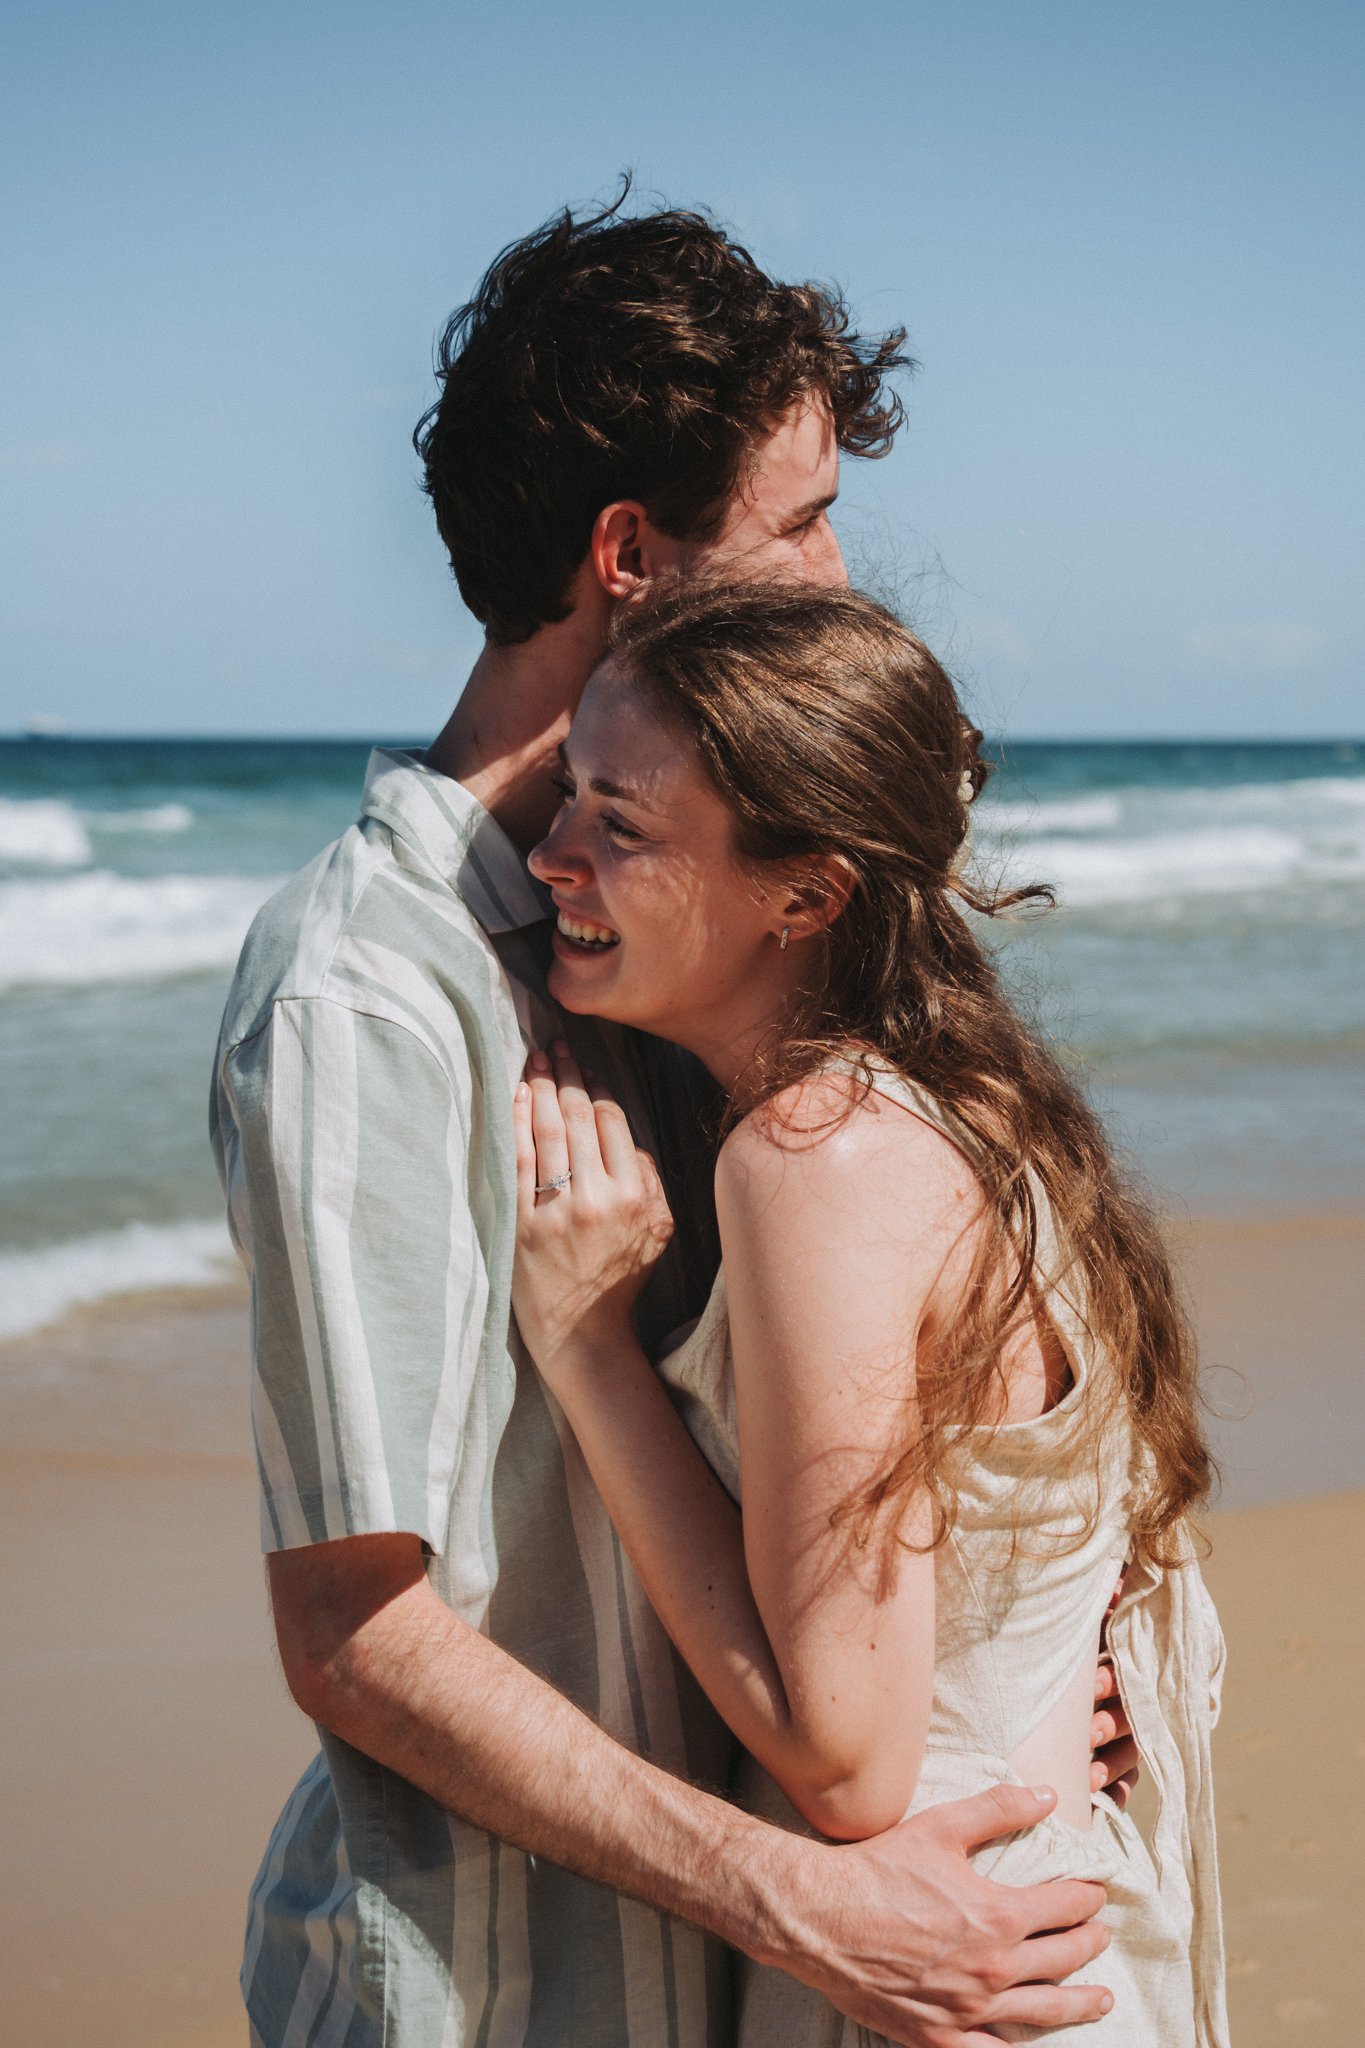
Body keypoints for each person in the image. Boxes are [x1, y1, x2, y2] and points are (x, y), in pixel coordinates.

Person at [212, 197, 1128, 2048]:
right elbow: (356, 1634)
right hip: (500, 1993)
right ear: (631, 552)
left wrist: (1025, 1657)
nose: (842, 577)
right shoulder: (362, 993)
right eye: (798, 521)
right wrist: (810, 1898)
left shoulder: (714, 913)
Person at [510, 577, 1229, 2047]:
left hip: (931, 1964)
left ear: (806, 893)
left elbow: (846, 1763)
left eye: (619, 823)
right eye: (565, 793)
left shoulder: (815, 1159)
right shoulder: (980, 1107)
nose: (548, 856)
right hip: (1052, 1935)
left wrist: (589, 1350)